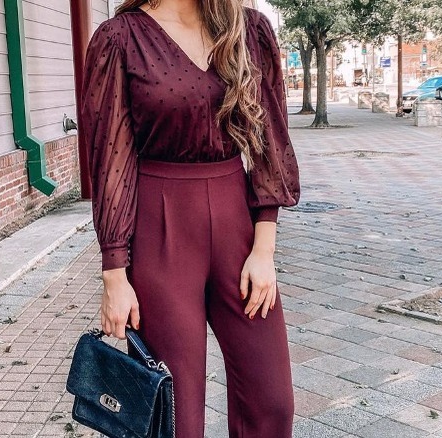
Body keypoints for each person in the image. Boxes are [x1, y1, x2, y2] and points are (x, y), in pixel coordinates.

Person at [80, 0, 301, 436]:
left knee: (272, 400)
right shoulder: (120, 38)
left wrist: (264, 249)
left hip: (238, 224)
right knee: (177, 414)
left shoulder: (247, 29)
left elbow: (269, 138)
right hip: (160, 229)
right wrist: (114, 274)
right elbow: (111, 158)